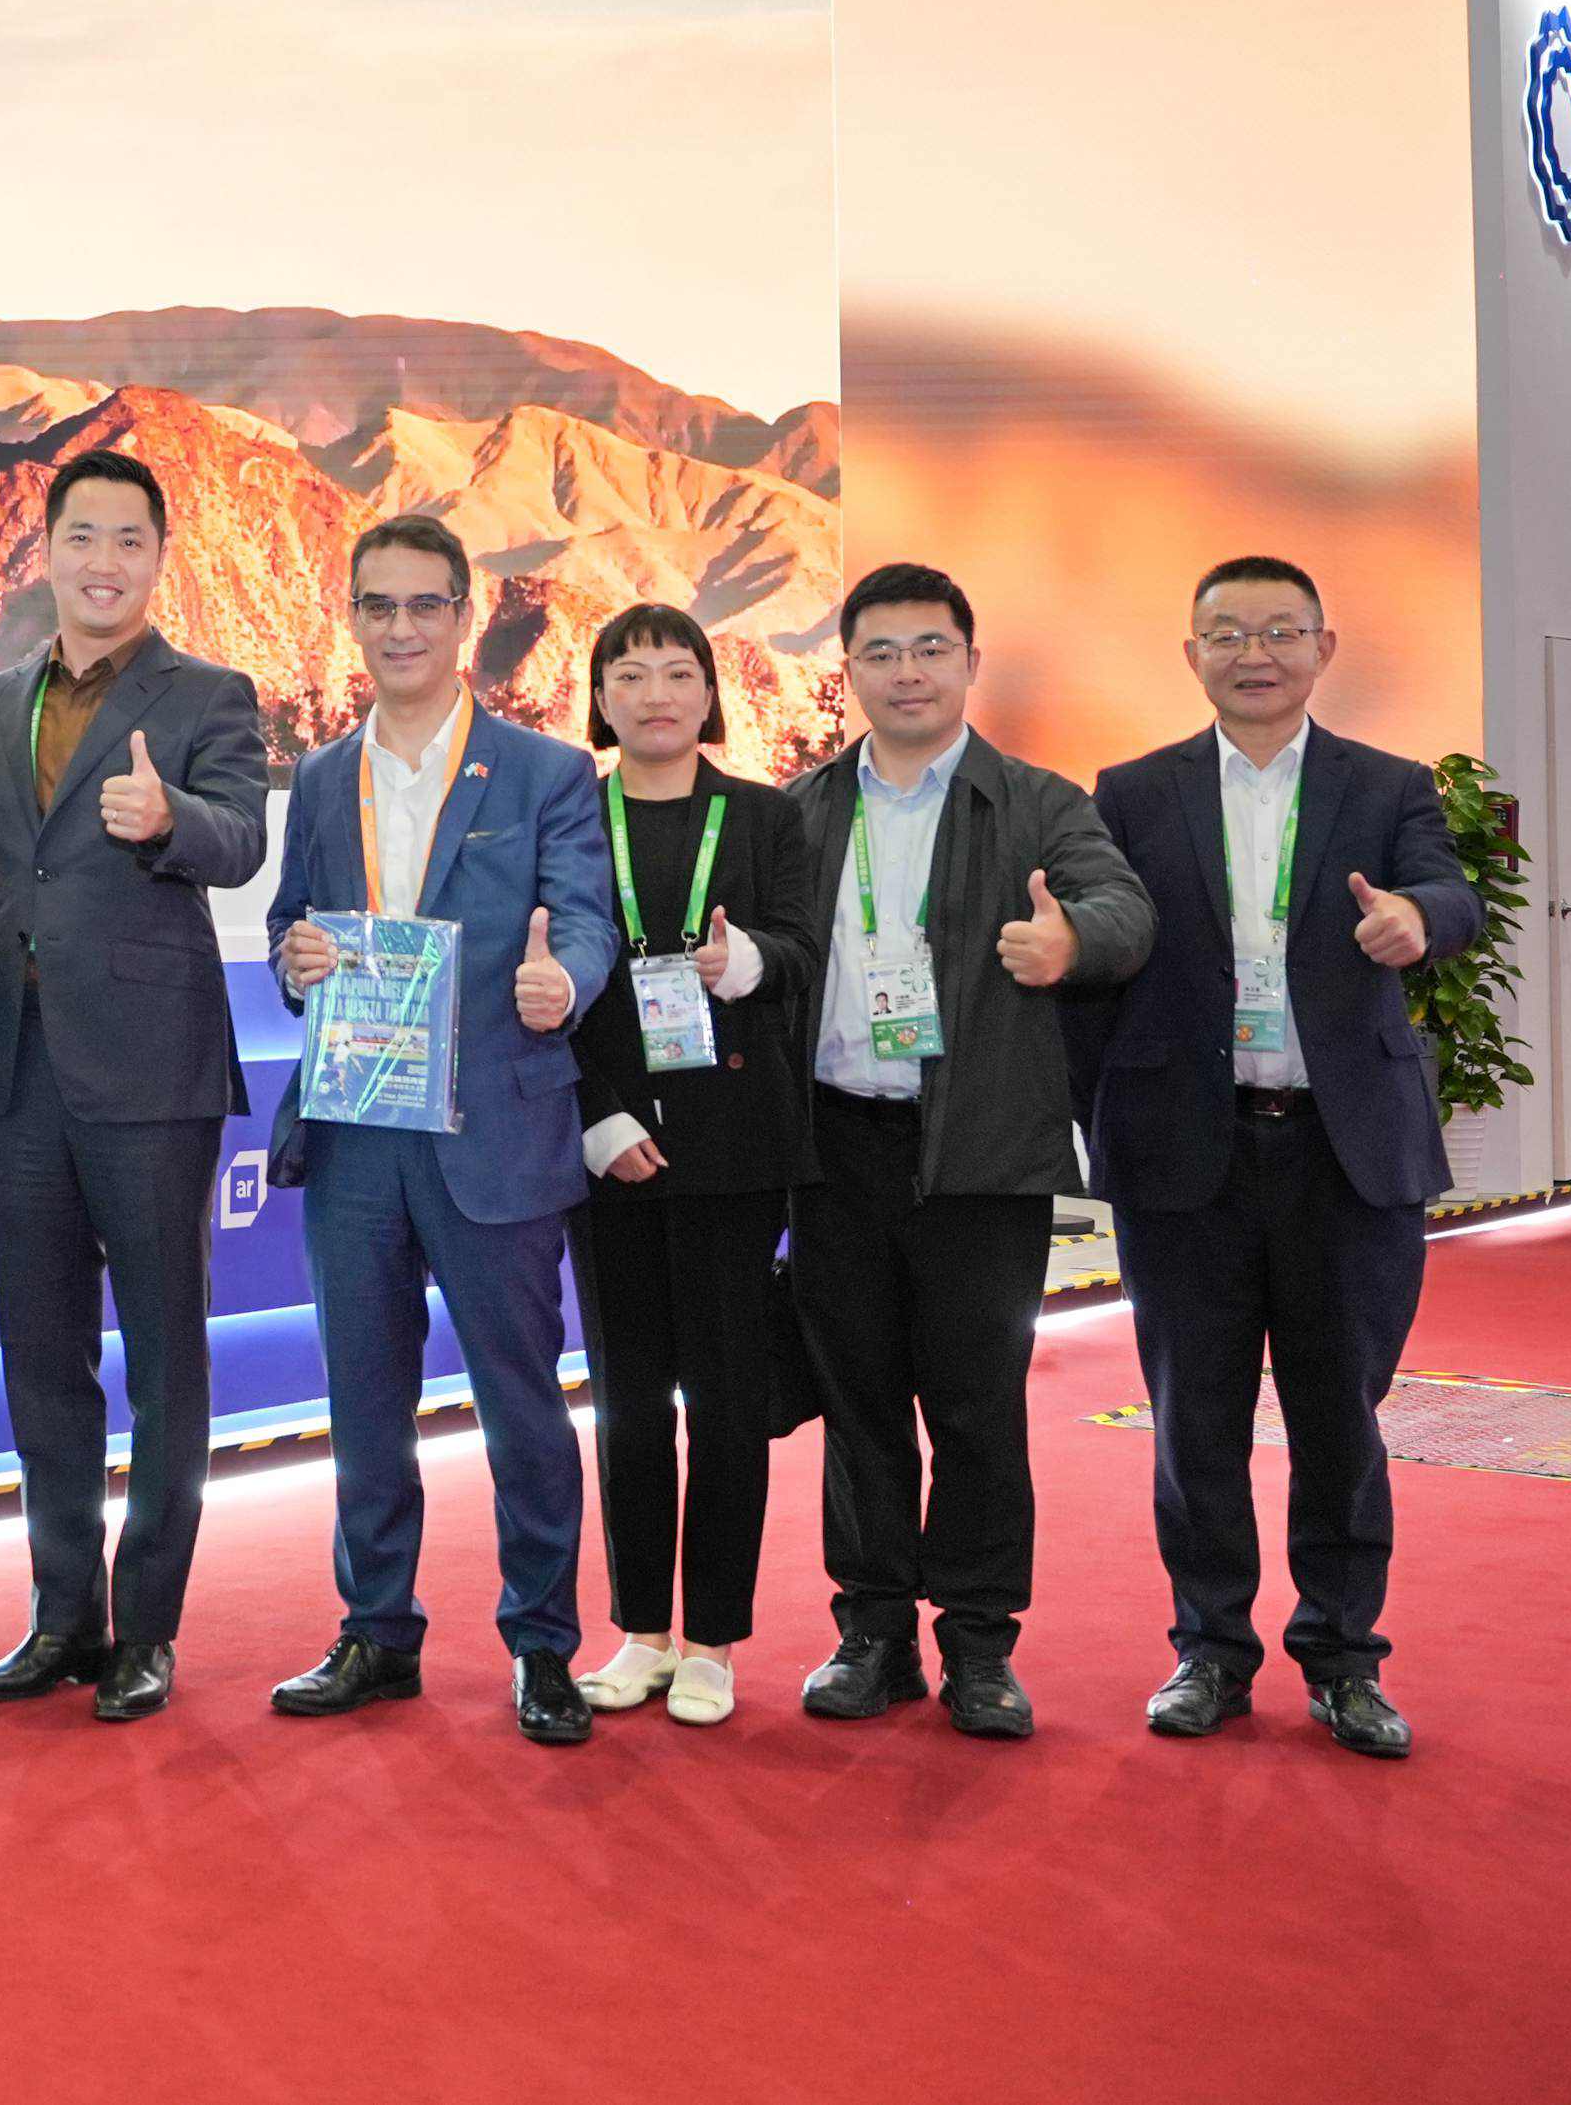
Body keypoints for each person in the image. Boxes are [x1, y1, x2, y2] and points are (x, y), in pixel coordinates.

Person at [1072, 558, 1480, 1760]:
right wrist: (1108, 1117)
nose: (1255, 652)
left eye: (1281, 631)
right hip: (1186, 1156)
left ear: (1323, 646)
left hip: (1341, 1154)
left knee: (1340, 1417)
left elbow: (1452, 894)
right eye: (1229, 632)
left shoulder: (1387, 784)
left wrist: (1416, 918)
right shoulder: (1132, 792)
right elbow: (1098, 958)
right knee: (1193, 1418)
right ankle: (1209, 1649)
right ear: (1191, 651)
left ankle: (1345, 1659)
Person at [783, 561, 1151, 1741]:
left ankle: (981, 1644)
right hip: (836, 1143)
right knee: (859, 1403)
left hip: (982, 1151)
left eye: (931, 648)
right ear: (849, 670)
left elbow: (1125, 908)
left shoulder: (1035, 801)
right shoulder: (801, 808)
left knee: (978, 1406)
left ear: (970, 662)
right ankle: (873, 1631)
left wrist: (1072, 940)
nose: (908, 672)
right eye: (882, 652)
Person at [265, 515, 616, 1745]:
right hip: (358, 1129)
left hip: (495, 1131)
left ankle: (544, 1644)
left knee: (523, 1405)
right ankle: (376, 1630)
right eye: (380, 605)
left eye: (426, 604)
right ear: (353, 618)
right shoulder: (322, 777)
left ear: (465, 617)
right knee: (365, 1403)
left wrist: (564, 981)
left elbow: (585, 920)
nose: (402, 627)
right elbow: (292, 926)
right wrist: (297, 959)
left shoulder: (545, 771)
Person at [0, 447, 269, 1724]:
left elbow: (240, 837)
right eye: (83, 536)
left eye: (130, 539)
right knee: (42, 1360)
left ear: (159, 557)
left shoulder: (209, 693)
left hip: (152, 1069)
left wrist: (169, 815)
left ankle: (149, 1627)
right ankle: (62, 1616)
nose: (104, 561)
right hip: (17, 1067)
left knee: (167, 1360)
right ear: (47, 550)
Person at [558, 603, 820, 1730]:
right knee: (624, 1403)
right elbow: (535, 971)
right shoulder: (568, 815)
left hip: (733, 1148)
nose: (655, 694)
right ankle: (640, 1633)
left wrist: (748, 958)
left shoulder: (764, 815)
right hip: (607, 1146)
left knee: (725, 1402)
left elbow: (805, 947)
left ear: (710, 694)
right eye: (629, 675)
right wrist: (594, 1116)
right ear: (599, 699)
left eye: (678, 673)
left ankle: (711, 1639)